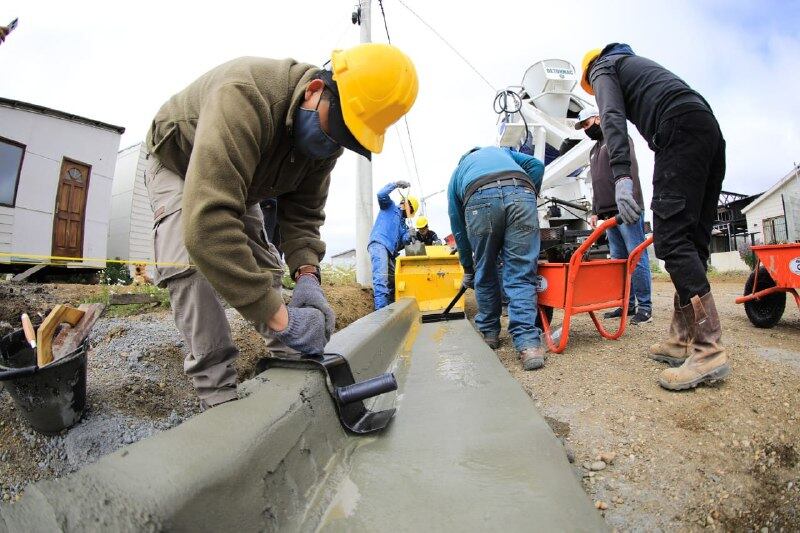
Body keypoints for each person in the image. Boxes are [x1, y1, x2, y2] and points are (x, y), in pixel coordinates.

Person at [145, 44, 418, 408]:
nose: (334, 144)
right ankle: (218, 394)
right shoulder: (245, 97)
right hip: (180, 163)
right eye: (335, 130)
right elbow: (207, 223)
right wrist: (281, 316)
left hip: (248, 179)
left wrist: (307, 276)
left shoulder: (326, 145)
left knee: (264, 262)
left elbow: (303, 216)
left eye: (346, 140)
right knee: (191, 264)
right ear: (315, 91)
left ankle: (290, 362)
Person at [581, 43, 729, 390]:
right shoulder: (638, 66)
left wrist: (621, 176)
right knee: (691, 242)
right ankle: (681, 338)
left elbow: (613, 119)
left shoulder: (604, 68)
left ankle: (708, 350)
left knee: (672, 241)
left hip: (677, 130)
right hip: (707, 129)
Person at [447, 146, 545, 370]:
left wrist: (469, 268)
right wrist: (530, 195)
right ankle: (528, 344)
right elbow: (536, 166)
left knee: (486, 269)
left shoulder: (459, 172)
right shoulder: (503, 152)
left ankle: (489, 333)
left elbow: (458, 227)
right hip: (522, 194)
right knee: (521, 273)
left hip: (479, 200)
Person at [575, 107, 653, 325]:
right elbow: (597, 183)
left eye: (587, 123)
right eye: (582, 127)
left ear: (599, 119)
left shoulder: (618, 138)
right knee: (619, 260)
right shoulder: (593, 151)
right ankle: (625, 304)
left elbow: (627, 170)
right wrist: (594, 211)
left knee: (636, 257)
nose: (585, 129)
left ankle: (645, 307)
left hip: (626, 208)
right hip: (607, 214)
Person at [368, 181, 419, 310]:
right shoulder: (389, 207)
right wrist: (395, 185)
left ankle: (391, 309)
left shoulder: (403, 226)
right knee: (381, 280)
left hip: (390, 252)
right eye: (410, 210)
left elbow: (404, 242)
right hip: (379, 244)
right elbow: (381, 194)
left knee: (395, 281)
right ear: (406, 205)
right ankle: (381, 314)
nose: (408, 213)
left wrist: (410, 235)